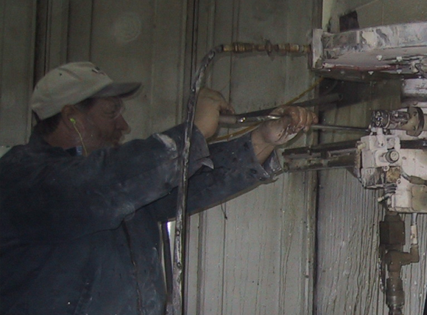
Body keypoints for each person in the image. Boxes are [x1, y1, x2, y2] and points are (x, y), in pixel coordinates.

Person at [0, 61, 317, 314]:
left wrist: (261, 140)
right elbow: (102, 185)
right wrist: (192, 134)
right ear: (72, 117)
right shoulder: (24, 180)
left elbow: (182, 185)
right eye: (111, 113)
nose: (123, 126)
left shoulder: (120, 186)